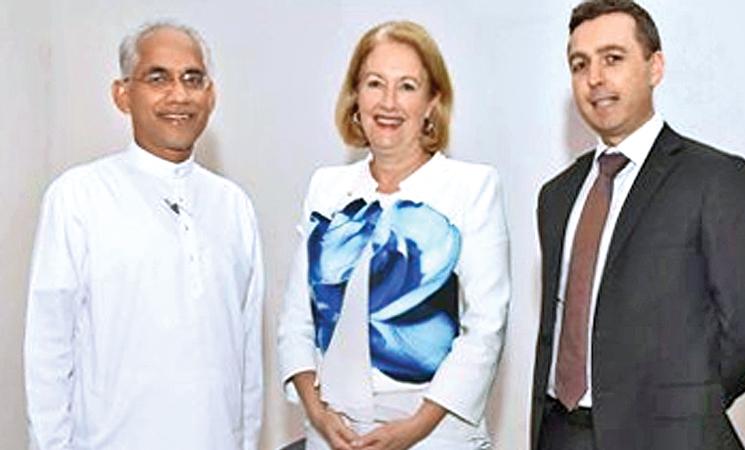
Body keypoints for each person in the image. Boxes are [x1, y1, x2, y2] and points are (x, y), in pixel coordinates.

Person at [530, 1, 745, 449]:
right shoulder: (557, 196)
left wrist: (683, 408)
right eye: (579, 64)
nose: (594, 78)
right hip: (559, 434)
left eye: (613, 58)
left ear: (655, 67)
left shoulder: (715, 178)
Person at [24, 22, 264, 450]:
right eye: (158, 78)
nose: (179, 95)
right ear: (122, 94)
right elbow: (48, 352)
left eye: (193, 79)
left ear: (210, 95)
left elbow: (247, 358)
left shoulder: (234, 206)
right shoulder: (78, 196)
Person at [277, 20, 511, 450]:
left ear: (432, 102)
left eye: (407, 86)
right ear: (355, 97)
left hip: (435, 433)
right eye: (374, 84)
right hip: (333, 432)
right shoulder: (325, 188)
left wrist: (415, 428)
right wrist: (319, 415)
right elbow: (296, 320)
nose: (388, 102)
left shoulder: (472, 186)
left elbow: (485, 326)